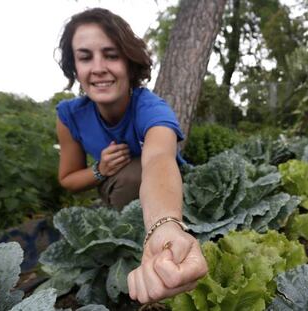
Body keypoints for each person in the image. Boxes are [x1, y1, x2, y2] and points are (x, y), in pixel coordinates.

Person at [55, 7, 208, 304]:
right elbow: (68, 179)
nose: (98, 67)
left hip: (168, 195)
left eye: (111, 55)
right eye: (85, 57)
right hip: (119, 193)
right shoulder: (69, 115)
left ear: (129, 61)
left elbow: (158, 160)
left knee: (136, 171)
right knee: (125, 176)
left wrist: (164, 225)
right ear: (75, 67)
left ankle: (162, 246)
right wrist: (99, 169)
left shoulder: (151, 108)